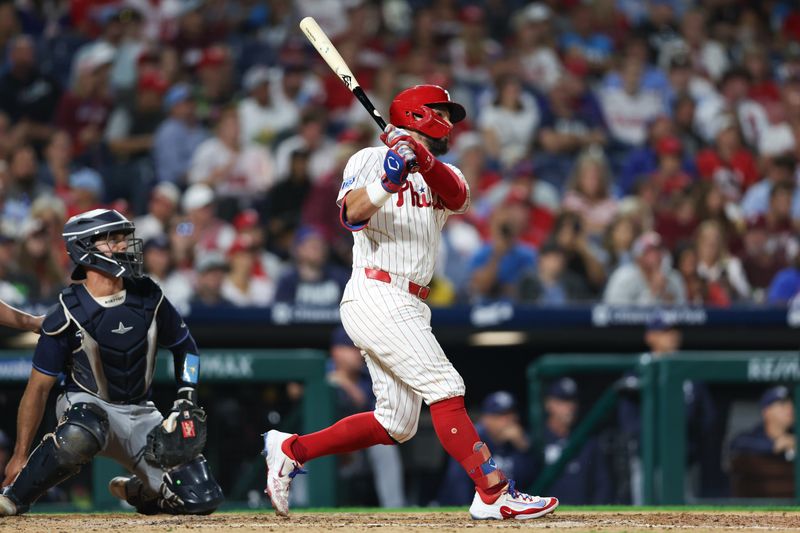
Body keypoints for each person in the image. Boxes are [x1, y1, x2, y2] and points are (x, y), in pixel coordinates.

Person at [261, 85, 558, 521]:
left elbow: (457, 196)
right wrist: (388, 179)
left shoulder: (447, 172)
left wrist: (421, 160)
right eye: (442, 112)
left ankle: (291, 449)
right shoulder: (365, 159)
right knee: (446, 386)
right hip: (376, 290)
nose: (451, 122)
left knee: (396, 424)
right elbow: (352, 215)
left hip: (413, 301)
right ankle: (492, 492)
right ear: (417, 114)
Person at [0, 209, 223, 516]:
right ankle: (15, 497)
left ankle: (139, 488)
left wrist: (186, 395)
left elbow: (187, 347)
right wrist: (20, 454)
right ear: (84, 248)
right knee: (80, 432)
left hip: (141, 411)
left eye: (123, 238)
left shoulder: (149, 295)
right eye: (112, 239)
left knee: (202, 498)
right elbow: (37, 390)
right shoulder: (67, 312)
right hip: (86, 403)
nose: (123, 245)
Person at [437, 391, 537, 506]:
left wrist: (524, 450)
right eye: (500, 415)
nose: (508, 420)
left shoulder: (519, 441)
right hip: (469, 507)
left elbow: (530, 482)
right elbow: (458, 484)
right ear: (486, 418)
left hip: (506, 507)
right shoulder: (472, 441)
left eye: (511, 414)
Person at [536, 378, 612, 505]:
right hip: (543, 518)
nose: (570, 407)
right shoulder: (536, 441)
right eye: (563, 401)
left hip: (581, 519)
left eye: (572, 401)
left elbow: (603, 486)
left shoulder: (587, 441)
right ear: (548, 403)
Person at [729, 386, 795, 498]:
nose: (790, 408)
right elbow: (736, 444)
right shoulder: (751, 437)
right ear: (766, 411)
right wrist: (774, 446)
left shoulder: (795, 436)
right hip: (756, 506)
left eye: (791, 403)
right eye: (782, 404)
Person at [603, 231, 687, 306]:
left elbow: (683, 314)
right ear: (638, 255)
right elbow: (615, 313)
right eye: (649, 251)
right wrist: (652, 292)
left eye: (658, 250)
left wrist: (665, 296)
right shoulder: (623, 277)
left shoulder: (674, 278)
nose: (655, 255)